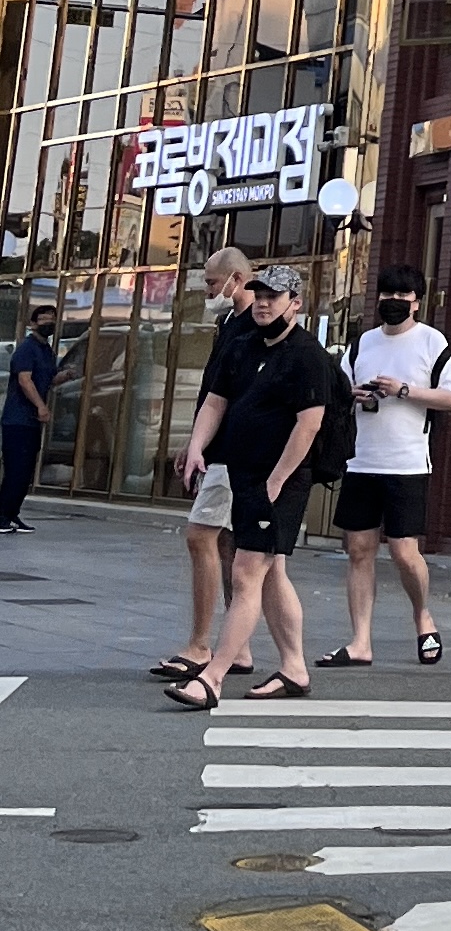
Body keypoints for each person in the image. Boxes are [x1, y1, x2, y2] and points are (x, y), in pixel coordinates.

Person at [165, 267, 329, 709]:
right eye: (259, 294)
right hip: (243, 473)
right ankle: (294, 668)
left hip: (280, 480)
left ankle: (213, 676)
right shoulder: (243, 346)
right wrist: (197, 447)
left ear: (295, 303)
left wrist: (275, 482)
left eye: (274, 296)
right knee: (271, 572)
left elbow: (309, 425)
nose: (263, 302)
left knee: (246, 571)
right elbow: (215, 401)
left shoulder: (307, 355)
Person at [323, 261, 451, 668]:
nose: (394, 301)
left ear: (417, 302)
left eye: (403, 295)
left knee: (404, 552)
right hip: (362, 460)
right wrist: (356, 394)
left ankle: (422, 615)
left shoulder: (432, 342)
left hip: (408, 464)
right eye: (387, 294)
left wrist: (404, 390)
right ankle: (360, 642)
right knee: (358, 550)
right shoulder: (362, 344)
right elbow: (339, 390)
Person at [153, 248, 258, 682]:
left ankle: (201, 645)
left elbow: (228, 396)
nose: (208, 291)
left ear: (236, 279)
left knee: (203, 536)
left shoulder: (252, 327)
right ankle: (239, 647)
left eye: (213, 283)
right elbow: (213, 394)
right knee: (230, 546)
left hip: (235, 452)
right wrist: (194, 441)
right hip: (222, 449)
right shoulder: (230, 323)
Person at [0, 308, 58, 530]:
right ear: (33, 324)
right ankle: (2, 516)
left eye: (52, 319)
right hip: (18, 420)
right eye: (43, 319)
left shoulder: (46, 350)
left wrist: (66, 375)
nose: (48, 323)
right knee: (16, 470)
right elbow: (25, 380)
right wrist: (41, 406)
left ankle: (12, 513)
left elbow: (49, 378)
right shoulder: (27, 349)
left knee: (25, 472)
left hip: (31, 421)